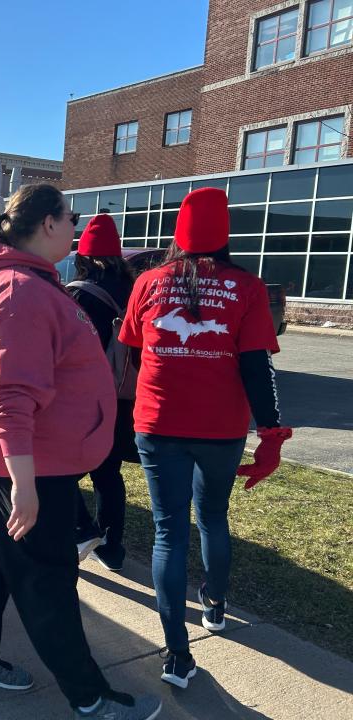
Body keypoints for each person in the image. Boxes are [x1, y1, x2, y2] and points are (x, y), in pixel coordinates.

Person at [0, 183, 161, 720]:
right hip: (28, 464)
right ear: (47, 224)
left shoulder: (28, 282)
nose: (75, 227)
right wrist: (24, 484)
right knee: (47, 580)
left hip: (20, 458)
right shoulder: (21, 291)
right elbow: (12, 396)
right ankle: (91, 697)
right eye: (70, 218)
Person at [119, 188, 289, 690]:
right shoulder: (248, 287)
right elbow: (258, 366)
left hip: (157, 423)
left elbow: (130, 352)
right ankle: (214, 603)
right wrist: (270, 433)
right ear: (226, 234)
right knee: (213, 515)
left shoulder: (149, 281)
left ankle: (176, 655)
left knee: (168, 531)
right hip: (220, 428)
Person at [66, 214, 136, 571]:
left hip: (86, 396)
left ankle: (81, 528)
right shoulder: (135, 288)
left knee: (58, 469)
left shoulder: (77, 294)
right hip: (125, 395)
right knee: (109, 472)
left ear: (84, 256)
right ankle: (112, 548)